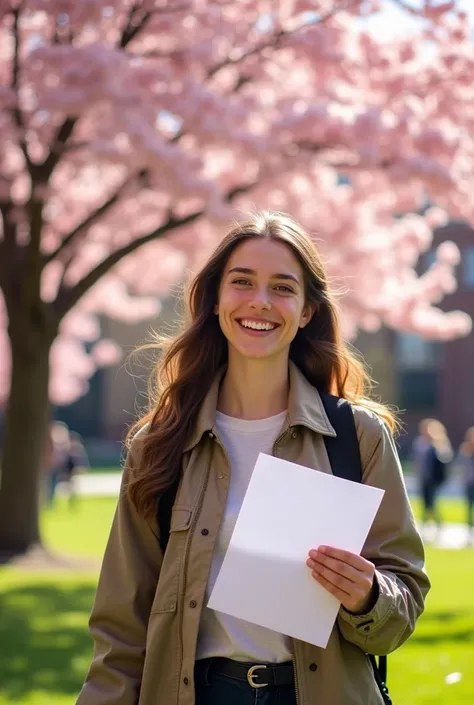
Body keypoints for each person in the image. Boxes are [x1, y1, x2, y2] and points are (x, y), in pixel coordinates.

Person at [76, 211, 430, 705]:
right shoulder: (159, 446)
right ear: (216, 299)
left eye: (283, 287)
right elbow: (120, 628)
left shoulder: (357, 436)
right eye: (242, 282)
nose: (260, 302)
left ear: (306, 310)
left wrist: (369, 595)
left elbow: (403, 599)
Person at [412, 418, 453, 531]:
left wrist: (435, 445)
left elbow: (446, 458)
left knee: (431, 502)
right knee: (425, 502)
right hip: (422, 477)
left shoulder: (439, 442)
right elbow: (416, 459)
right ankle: (426, 525)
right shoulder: (419, 442)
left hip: (434, 478)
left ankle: (437, 524)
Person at [456, 426, 474, 543]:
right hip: (469, 482)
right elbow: (461, 464)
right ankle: (469, 529)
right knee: (469, 506)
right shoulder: (465, 449)